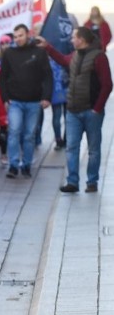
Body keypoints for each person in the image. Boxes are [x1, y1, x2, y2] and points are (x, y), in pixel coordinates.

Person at [42, 27, 113, 193]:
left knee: (93, 149)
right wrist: (48, 47)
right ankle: (72, 182)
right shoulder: (74, 56)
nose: (71, 40)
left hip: (91, 111)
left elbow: (107, 85)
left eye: (74, 37)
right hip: (73, 111)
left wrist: (97, 108)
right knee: (71, 147)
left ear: (82, 39)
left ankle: (92, 181)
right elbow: (63, 60)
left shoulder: (99, 57)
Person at [0, 24, 53, 178]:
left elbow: (48, 76)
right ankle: (14, 165)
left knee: (29, 134)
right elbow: (3, 77)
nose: (18, 39)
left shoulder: (39, 52)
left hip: (34, 101)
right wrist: (5, 98)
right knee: (14, 131)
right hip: (15, 101)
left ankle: (27, 164)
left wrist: (47, 97)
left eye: (20, 35)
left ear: (28, 34)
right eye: (15, 37)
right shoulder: (9, 53)